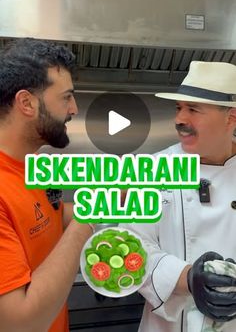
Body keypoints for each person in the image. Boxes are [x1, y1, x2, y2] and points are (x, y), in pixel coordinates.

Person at [121, 60, 236, 332]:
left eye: (193, 109)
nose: (179, 120)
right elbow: (132, 247)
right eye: (178, 108)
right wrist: (188, 278)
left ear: (231, 118)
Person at [0, 38, 94, 332]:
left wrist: (109, 197)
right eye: (66, 97)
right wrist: (86, 220)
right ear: (26, 103)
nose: (74, 109)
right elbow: (20, 323)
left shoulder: (32, 166)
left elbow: (44, 216)